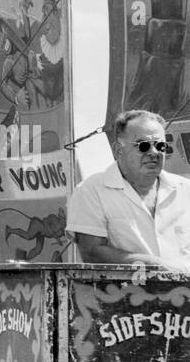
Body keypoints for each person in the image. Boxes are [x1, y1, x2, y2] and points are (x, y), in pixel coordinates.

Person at [68, 109, 190, 269]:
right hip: (121, 292)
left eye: (160, 145)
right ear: (118, 150)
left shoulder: (185, 190)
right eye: (144, 146)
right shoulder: (91, 191)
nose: (154, 152)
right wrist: (153, 265)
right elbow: (92, 252)